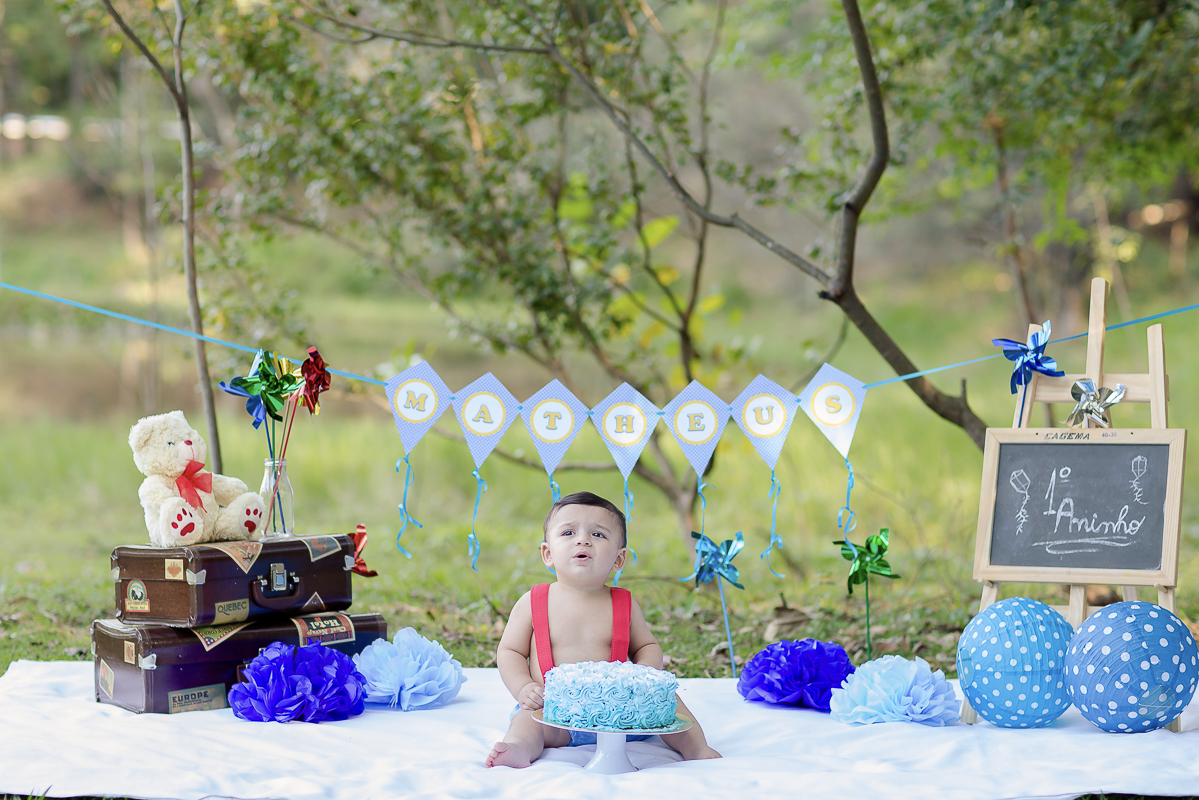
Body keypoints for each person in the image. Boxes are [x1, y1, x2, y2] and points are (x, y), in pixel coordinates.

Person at [485, 491, 722, 768]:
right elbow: (510, 650)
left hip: (621, 716)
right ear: (547, 554)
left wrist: (644, 673)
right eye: (569, 532)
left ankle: (696, 747)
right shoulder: (534, 601)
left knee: (671, 703)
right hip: (555, 713)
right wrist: (523, 687)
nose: (582, 539)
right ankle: (517, 749)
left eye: (598, 535)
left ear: (619, 560)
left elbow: (647, 646)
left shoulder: (624, 603)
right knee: (525, 721)